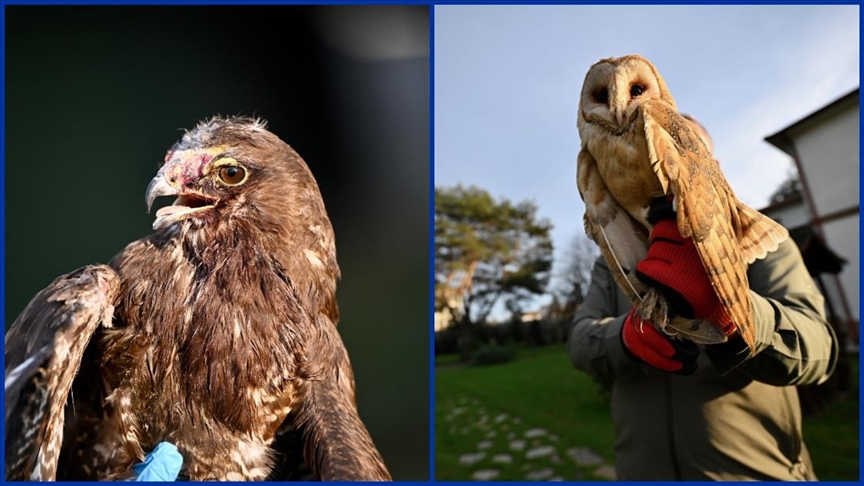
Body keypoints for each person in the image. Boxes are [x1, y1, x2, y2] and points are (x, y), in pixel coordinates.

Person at [567, 117, 838, 481]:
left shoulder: (759, 237)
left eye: (680, 151)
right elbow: (580, 340)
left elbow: (820, 349)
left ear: (713, 166)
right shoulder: (613, 255)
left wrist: (732, 310)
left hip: (755, 473)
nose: (663, 166)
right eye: (648, 156)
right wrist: (628, 338)